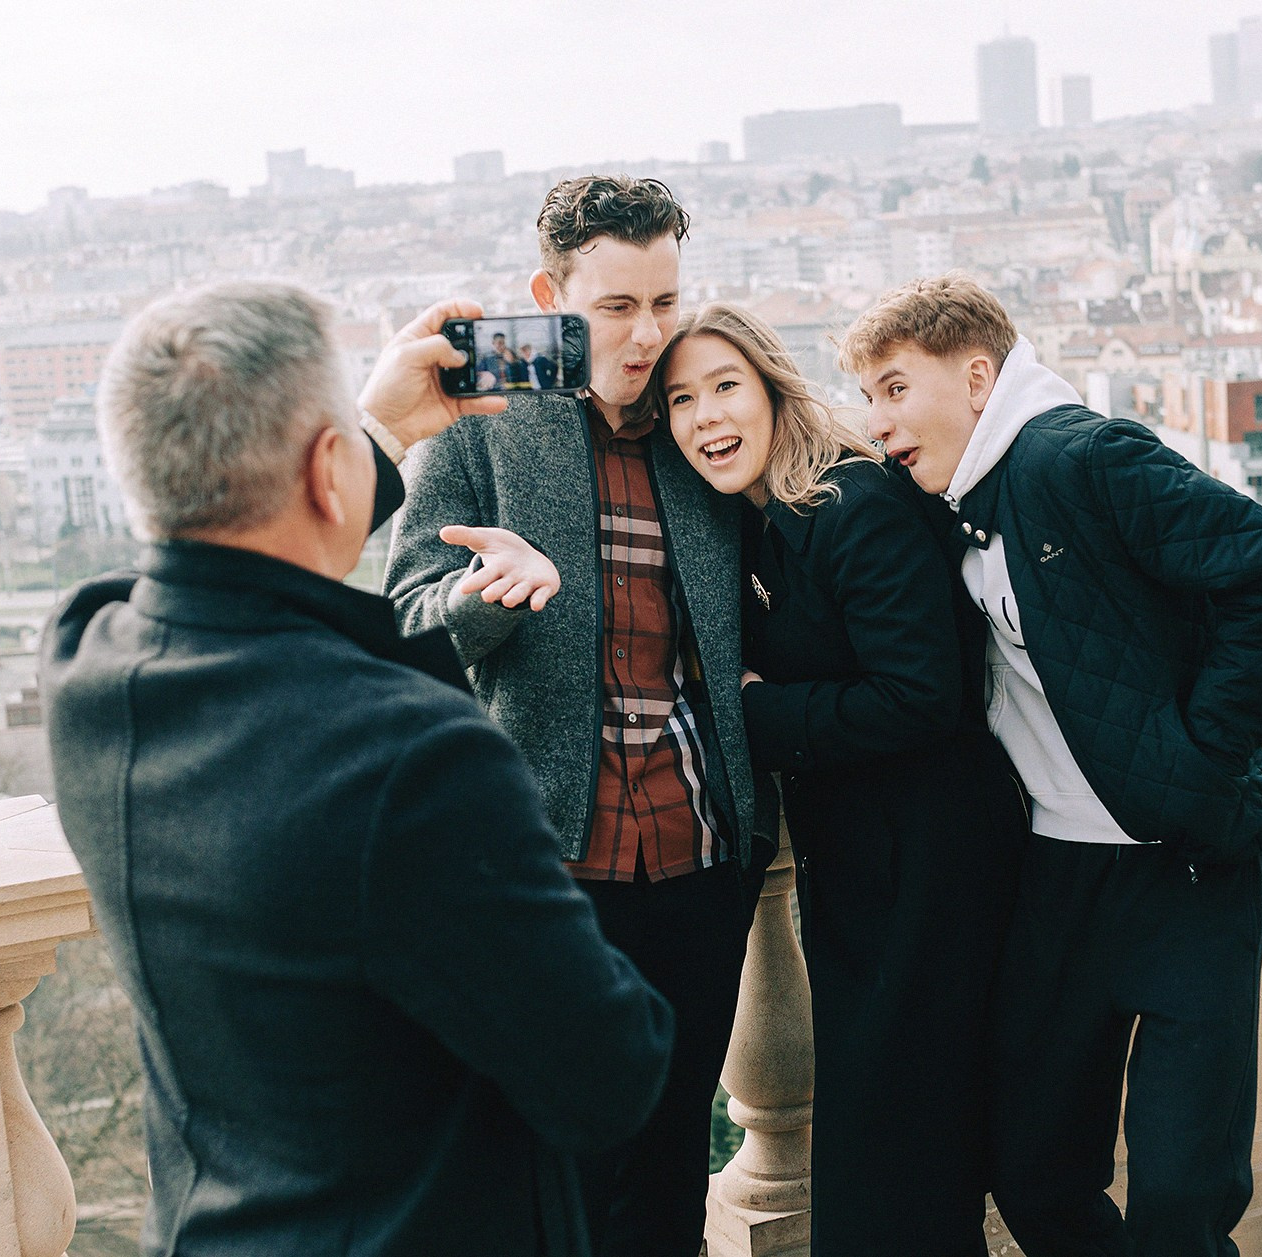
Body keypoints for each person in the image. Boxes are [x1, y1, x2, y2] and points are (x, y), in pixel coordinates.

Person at [39, 282, 674, 1257]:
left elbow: (217, 569)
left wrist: (369, 427)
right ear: (326, 473)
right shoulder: (413, 761)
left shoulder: (89, 662)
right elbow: (609, 1076)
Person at [839, 274, 1262, 1257]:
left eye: (895, 388)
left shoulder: (1081, 456)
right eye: (867, 398)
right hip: (1056, 881)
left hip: (1182, 872)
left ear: (977, 377)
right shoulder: (955, 500)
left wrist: (1200, 757)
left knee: (1180, 1197)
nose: (879, 420)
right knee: (1031, 1171)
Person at [386, 176, 763, 1257]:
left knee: (669, 1170)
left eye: (664, 302)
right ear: (550, 295)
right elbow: (406, 627)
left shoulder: (702, 420)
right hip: (549, 866)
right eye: (614, 308)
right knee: (556, 1171)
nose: (646, 336)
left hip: (703, 851)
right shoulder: (481, 432)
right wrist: (482, 597)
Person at [655, 302, 1029, 1257]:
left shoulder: (850, 501)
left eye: (725, 386)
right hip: (862, 869)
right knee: (882, 1150)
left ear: (774, 388)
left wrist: (752, 708)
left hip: (933, 863)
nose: (705, 416)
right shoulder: (756, 524)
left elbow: (920, 695)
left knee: (906, 1151)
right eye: (681, 399)